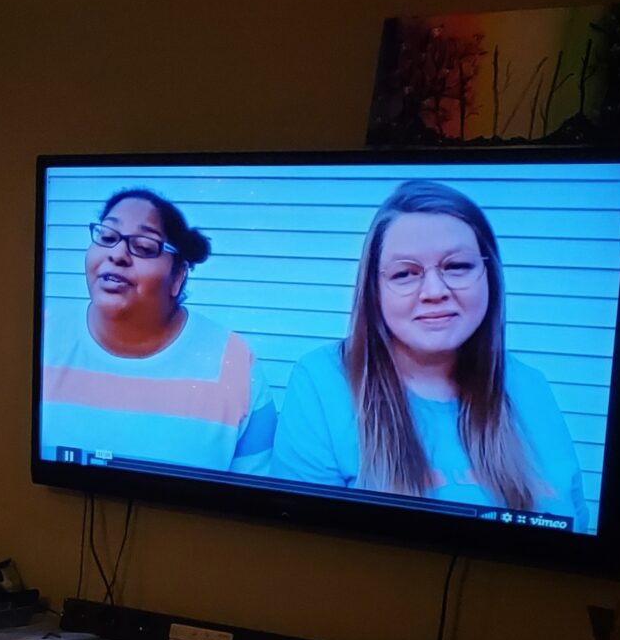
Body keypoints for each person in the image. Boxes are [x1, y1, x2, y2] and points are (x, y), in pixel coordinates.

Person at [270, 180, 588, 531]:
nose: (434, 291)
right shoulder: (323, 382)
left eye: (457, 266)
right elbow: (306, 544)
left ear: (489, 275)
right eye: (405, 273)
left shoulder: (531, 386)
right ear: (374, 289)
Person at [41, 187, 276, 474]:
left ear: (178, 276)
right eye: (108, 237)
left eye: (143, 246)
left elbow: (255, 492)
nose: (117, 254)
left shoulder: (235, 363)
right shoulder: (42, 337)